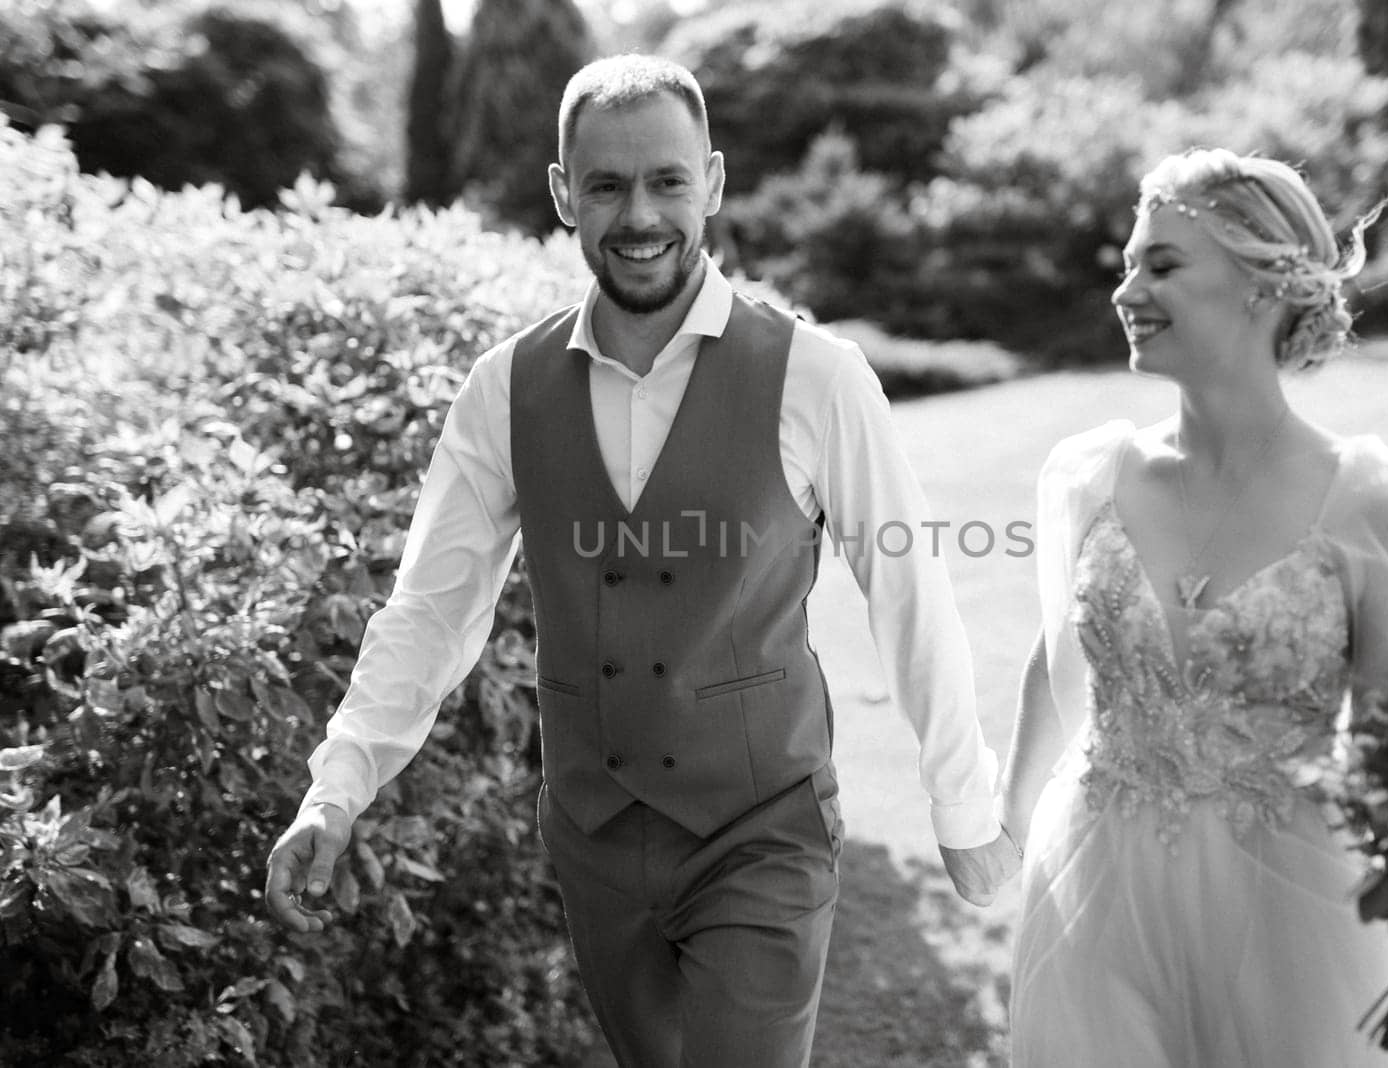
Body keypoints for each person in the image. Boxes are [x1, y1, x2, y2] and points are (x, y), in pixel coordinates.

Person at [264, 54, 1020, 1068]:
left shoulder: (816, 377)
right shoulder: (504, 391)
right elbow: (432, 610)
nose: (639, 214)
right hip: (596, 839)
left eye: (666, 181)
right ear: (562, 195)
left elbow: (909, 593)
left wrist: (961, 802)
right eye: (607, 185)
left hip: (763, 826)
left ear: (709, 182)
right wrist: (337, 786)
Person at [999, 147, 1388, 1066]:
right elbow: (1055, 657)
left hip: (1291, 902)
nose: (1126, 290)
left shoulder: (1375, 503)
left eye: (1162, 265)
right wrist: (1003, 827)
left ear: (1263, 286)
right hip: (1094, 885)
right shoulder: (1090, 474)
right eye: (1128, 264)